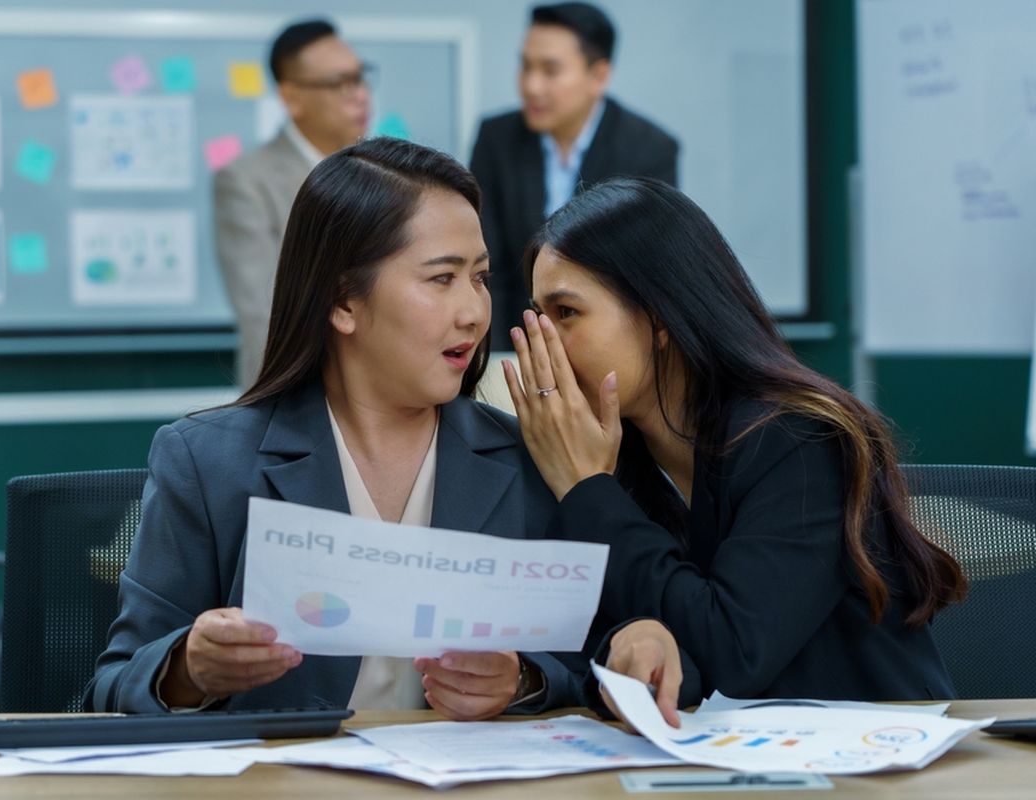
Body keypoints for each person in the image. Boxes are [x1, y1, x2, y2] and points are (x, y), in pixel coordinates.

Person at [88, 138, 577, 720]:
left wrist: (522, 680)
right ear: (344, 301)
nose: (474, 311)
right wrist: (189, 671)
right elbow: (111, 687)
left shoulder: (527, 457)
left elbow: (596, 665)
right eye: (442, 279)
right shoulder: (207, 462)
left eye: (480, 278)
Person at [502, 177, 967, 710]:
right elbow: (609, 646)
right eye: (536, 317)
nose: (543, 345)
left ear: (658, 315)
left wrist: (588, 490)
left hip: (871, 748)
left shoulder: (800, 438)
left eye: (566, 314)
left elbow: (732, 652)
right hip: (715, 749)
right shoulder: (615, 455)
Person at [470, 2, 678, 351]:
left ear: (599, 76)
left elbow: (648, 272)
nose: (531, 86)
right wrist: (499, 358)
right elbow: (490, 264)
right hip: (514, 342)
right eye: (525, 66)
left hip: (610, 346)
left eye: (550, 70)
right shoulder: (496, 139)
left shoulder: (648, 150)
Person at [214, 19, 371, 389]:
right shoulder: (246, 180)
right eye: (339, 83)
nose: (360, 95)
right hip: (294, 391)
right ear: (291, 98)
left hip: (382, 393)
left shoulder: (383, 174)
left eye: (360, 78)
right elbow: (264, 315)